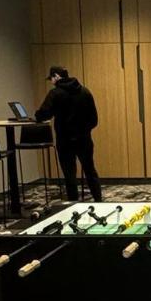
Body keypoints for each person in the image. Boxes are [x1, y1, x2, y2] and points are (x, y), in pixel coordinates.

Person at [34, 65, 102, 202]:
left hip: (64, 140)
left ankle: (73, 203)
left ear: (57, 76)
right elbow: (94, 120)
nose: (52, 81)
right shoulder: (85, 92)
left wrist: (38, 116)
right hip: (84, 139)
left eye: (52, 78)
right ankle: (98, 200)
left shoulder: (55, 94)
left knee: (69, 174)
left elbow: (43, 114)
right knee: (90, 170)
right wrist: (84, 130)